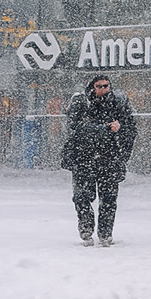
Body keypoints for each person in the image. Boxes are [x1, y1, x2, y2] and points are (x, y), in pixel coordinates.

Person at [60, 75, 137, 246]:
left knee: (109, 199)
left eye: (106, 86)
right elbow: (74, 128)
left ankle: (105, 234)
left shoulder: (119, 104)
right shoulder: (81, 103)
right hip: (83, 157)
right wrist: (104, 129)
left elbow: (130, 129)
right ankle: (86, 230)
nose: (102, 89)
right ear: (92, 87)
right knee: (82, 197)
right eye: (99, 86)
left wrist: (120, 137)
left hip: (109, 159)